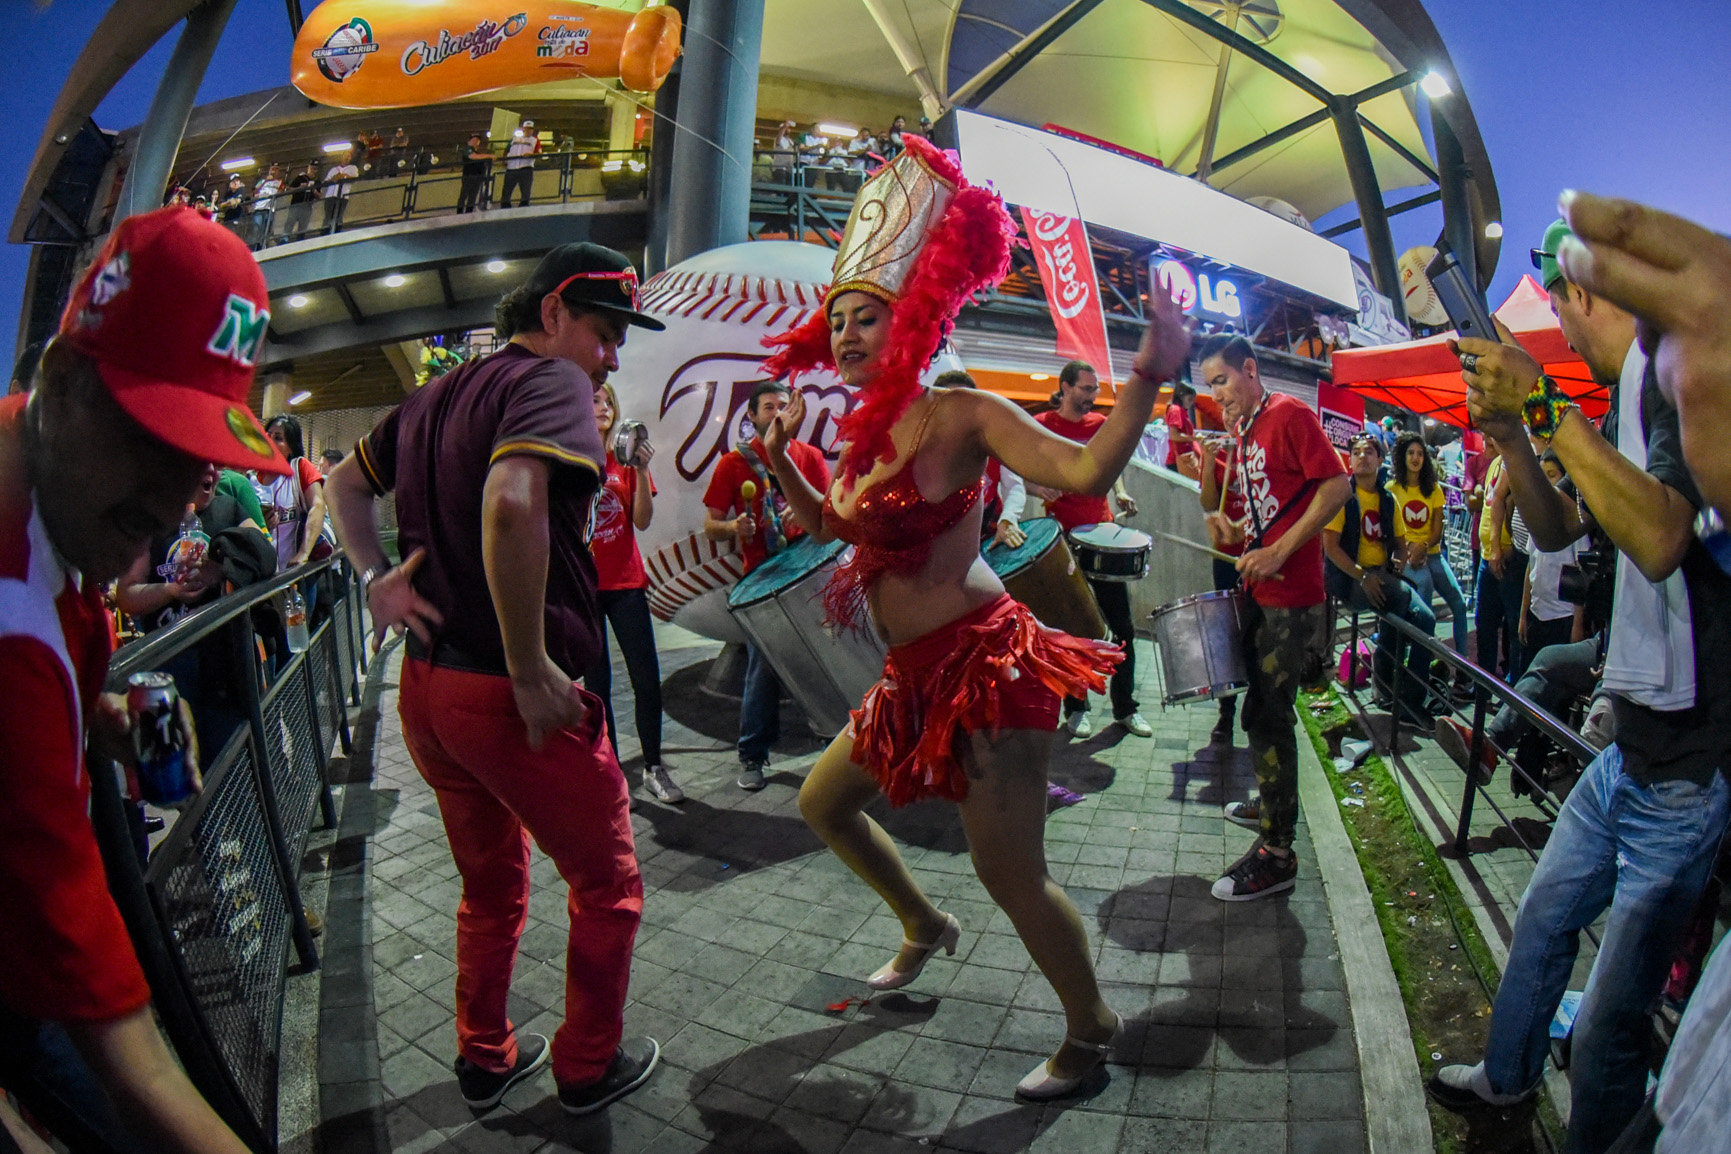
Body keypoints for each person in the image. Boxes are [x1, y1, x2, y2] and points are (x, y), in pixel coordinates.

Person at [757, 134, 1194, 1099]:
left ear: (911, 316)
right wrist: (779, 458)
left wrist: (1149, 377)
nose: (849, 338)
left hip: (983, 668)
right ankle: (922, 924)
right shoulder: (859, 436)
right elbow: (833, 525)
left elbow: (1082, 472)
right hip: (907, 678)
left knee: (1012, 875)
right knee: (823, 804)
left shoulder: (960, 413)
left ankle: (1091, 1029)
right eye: (839, 325)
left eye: (869, 318)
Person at [326, 242, 666, 1116]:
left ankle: (484, 1055)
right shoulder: (546, 384)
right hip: (504, 697)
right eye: (603, 331)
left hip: (429, 689)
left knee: (489, 885)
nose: (612, 355)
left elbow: (342, 484)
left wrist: (374, 577)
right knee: (607, 886)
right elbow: (512, 503)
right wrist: (528, 666)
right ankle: (586, 1066)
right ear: (553, 312)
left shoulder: (433, 395)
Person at [1427, 218, 1731, 1153]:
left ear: (1587, 296)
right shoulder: (1618, 409)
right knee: (1540, 925)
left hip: (1686, 773)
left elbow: (1661, 535)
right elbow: (1557, 530)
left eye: (1559, 306)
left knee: (1606, 1026)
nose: (1554, 326)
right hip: (1624, 750)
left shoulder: (1683, 389)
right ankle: (1506, 1080)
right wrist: (1515, 435)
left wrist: (1543, 396)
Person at [0, 205, 288, 1154]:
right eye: (149, 440)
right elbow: (136, 1064)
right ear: (60, 382)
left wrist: (108, 714)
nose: (171, 499)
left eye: (198, 456)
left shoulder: (36, 467)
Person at [1194, 333, 1350, 901]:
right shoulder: (1243, 431)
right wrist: (1239, 534)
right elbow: (1267, 510)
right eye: (1209, 386)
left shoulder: (1288, 414)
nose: (1217, 395)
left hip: (1294, 596)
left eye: (1222, 380)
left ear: (1250, 369)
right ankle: (1272, 798)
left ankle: (1278, 852)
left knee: (1266, 714)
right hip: (1263, 592)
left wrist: (1282, 552)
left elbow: (1337, 485)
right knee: (1262, 709)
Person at [1551, 190, 1731, 521]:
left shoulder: (1659, 371)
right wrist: (1510, 433)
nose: (1565, 340)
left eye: (1556, 312)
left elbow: (1658, 536)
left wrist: (1537, 401)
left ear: (1580, 294)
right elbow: (1565, 520)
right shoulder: (1622, 396)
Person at [701, 381, 832, 789]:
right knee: (761, 668)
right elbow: (710, 526)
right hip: (764, 580)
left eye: (783, 405)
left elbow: (830, 512)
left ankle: (834, 743)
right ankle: (752, 756)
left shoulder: (809, 458)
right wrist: (733, 527)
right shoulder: (732, 464)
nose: (777, 413)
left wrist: (809, 509)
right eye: (768, 407)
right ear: (752, 416)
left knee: (825, 663)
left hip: (809, 573)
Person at [1032, 361, 1151, 739]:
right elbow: (1020, 472)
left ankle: (1125, 708)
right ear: (1064, 387)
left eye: (1093, 390)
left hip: (1102, 531)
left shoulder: (1100, 426)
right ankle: (1076, 707)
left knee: (1123, 627)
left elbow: (1111, 468)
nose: (1091, 396)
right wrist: (1038, 490)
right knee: (1073, 627)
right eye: (1085, 389)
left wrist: (1121, 492)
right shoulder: (1044, 424)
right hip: (1063, 538)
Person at [584, 382, 684, 804]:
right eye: (594, 400)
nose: (603, 407)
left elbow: (641, 521)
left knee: (646, 679)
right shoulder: (571, 459)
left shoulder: (624, 460)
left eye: (608, 401)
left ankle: (654, 766)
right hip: (586, 588)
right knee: (597, 686)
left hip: (625, 583)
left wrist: (641, 471)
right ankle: (607, 769)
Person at [1321, 435, 1436, 726]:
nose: (1362, 456)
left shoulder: (1388, 499)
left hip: (1384, 577)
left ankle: (1406, 696)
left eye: (1369, 452)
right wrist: (1363, 576)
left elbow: (1400, 543)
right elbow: (1330, 547)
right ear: (1349, 460)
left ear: (1380, 460)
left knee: (1426, 619)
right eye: (1356, 452)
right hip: (1350, 580)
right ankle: (1389, 684)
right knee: (1403, 601)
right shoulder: (1342, 495)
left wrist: (1400, 558)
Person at [1389, 431, 1471, 679]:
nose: (1416, 458)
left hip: (1432, 554)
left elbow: (1438, 529)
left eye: (1420, 454)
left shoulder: (1433, 489)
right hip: (1407, 558)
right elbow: (1390, 529)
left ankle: (1464, 665)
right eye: (1411, 453)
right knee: (1422, 611)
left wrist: (1422, 546)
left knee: (1458, 601)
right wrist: (1409, 551)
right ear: (1402, 456)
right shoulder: (1391, 488)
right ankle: (1415, 669)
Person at [1196, 428, 1247, 743]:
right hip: (1226, 555)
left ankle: (1260, 704)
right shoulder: (1220, 452)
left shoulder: (1259, 447)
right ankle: (1226, 710)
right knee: (1228, 631)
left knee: (1259, 627)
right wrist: (1209, 459)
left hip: (1260, 552)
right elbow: (1209, 504)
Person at [501, 120, 539, 208]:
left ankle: (524, 205)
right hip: (511, 168)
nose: (528, 131)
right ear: (523, 129)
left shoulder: (535, 140)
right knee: (507, 189)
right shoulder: (513, 139)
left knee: (526, 189)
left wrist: (531, 155)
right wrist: (505, 160)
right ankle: (505, 205)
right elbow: (506, 151)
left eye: (530, 129)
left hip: (526, 167)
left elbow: (538, 153)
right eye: (526, 129)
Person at [1164, 379, 1200, 469]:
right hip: (1178, 461)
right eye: (1189, 399)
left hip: (1182, 459)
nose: (1191, 403)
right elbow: (1173, 435)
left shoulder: (1181, 411)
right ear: (1181, 396)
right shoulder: (1176, 410)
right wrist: (1194, 438)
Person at [320, 151, 358, 234]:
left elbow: (354, 179)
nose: (347, 158)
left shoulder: (353, 168)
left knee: (339, 216)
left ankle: (336, 233)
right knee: (328, 216)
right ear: (342, 157)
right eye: (345, 156)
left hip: (342, 196)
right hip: (330, 196)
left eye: (349, 156)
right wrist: (333, 178)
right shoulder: (333, 169)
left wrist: (344, 176)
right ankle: (324, 233)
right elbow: (325, 182)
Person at [281, 162, 319, 243]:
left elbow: (319, 195)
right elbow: (289, 189)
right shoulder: (300, 177)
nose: (312, 170)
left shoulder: (317, 181)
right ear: (308, 168)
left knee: (303, 226)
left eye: (315, 169)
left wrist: (314, 191)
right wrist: (299, 188)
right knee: (290, 222)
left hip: (308, 206)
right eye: (311, 168)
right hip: (296, 204)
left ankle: (300, 241)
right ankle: (284, 239)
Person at [457, 133, 492, 214]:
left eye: (477, 140)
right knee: (464, 195)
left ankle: (469, 212)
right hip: (469, 176)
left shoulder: (479, 153)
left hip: (478, 176)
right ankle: (460, 212)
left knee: (473, 196)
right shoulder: (467, 149)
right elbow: (472, 156)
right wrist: (488, 156)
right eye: (474, 139)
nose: (476, 141)